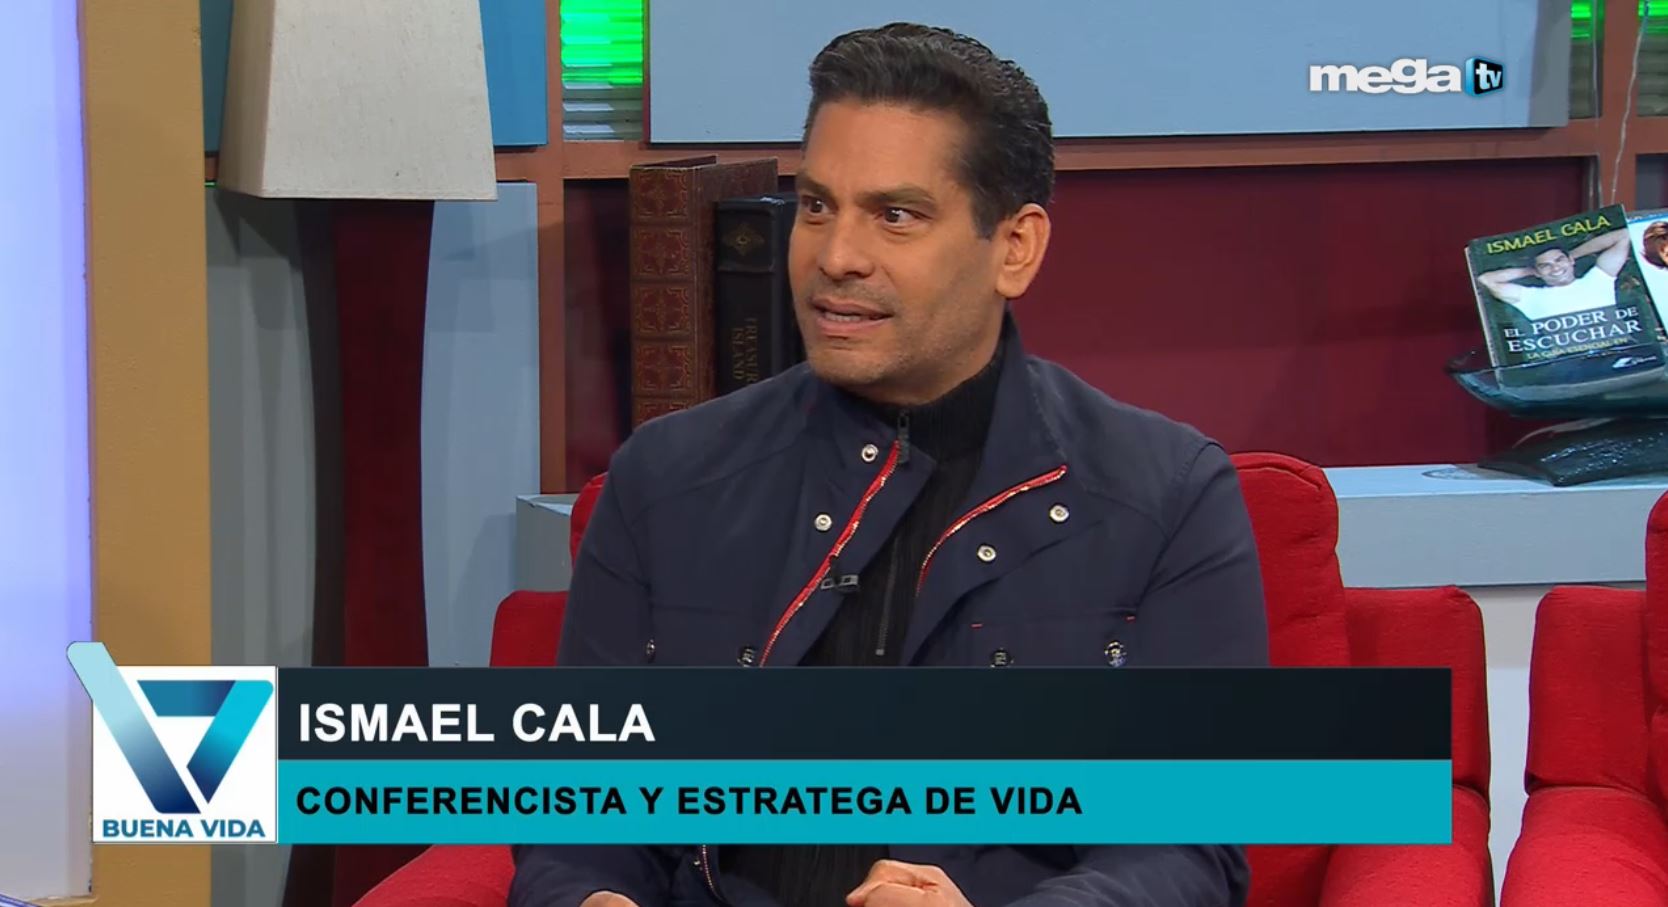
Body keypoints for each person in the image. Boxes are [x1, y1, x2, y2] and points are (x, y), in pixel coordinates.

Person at [510, 22, 1270, 907]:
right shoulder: (667, 478)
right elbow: (577, 819)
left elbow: (1186, 845)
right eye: (817, 206)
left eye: (895, 216)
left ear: (1015, 248)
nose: (836, 257)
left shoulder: (1166, 497)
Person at [1475, 228, 1631, 321]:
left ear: (1570, 261)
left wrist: (1572, 255)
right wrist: (1531, 271)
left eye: (1559, 260)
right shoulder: (1530, 297)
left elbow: (1623, 235)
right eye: (1545, 265)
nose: (1555, 268)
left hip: (1618, 353)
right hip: (1570, 362)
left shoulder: (1598, 280)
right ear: (1537, 272)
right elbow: (1486, 280)